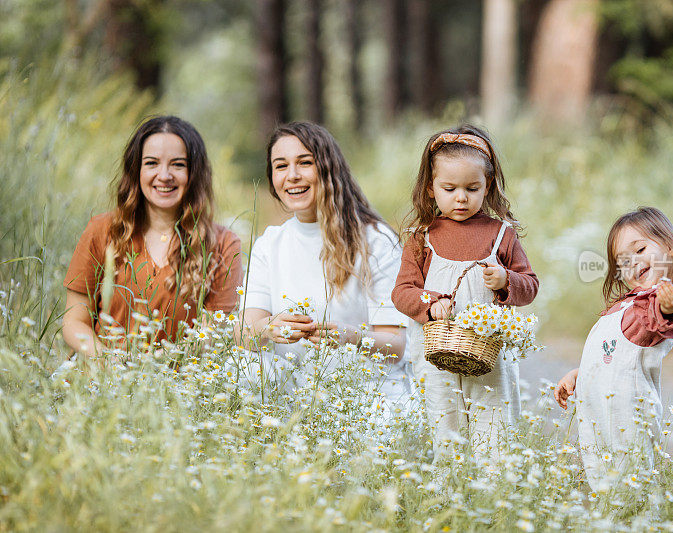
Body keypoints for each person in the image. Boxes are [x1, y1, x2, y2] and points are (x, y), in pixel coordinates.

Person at [391, 125, 539, 459]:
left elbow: (529, 285)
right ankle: (449, 494)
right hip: (436, 354)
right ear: (431, 188)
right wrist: (431, 304)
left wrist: (505, 282)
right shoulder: (421, 237)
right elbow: (402, 291)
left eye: (472, 188)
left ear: (487, 187)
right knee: (445, 427)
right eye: (450, 188)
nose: (461, 197)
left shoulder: (501, 235)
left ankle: (493, 497)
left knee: (495, 425)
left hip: (489, 355)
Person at [239, 121, 410, 404]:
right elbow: (244, 333)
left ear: (329, 169)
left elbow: (397, 345)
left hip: (365, 392)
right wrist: (269, 326)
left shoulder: (376, 241)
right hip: (294, 390)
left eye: (305, 163)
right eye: (281, 166)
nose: (292, 176)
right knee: (245, 370)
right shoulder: (269, 244)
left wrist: (350, 337)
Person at [63, 116, 243, 360]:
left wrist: (156, 377)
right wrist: (109, 365)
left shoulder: (222, 244)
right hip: (102, 383)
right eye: (152, 163)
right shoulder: (103, 230)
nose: (164, 175)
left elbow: (210, 338)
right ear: (136, 170)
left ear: (194, 173)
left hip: (177, 388)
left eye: (178, 165)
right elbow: (74, 322)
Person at [554, 206, 673, 491]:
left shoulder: (659, 300)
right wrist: (580, 374)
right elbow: (613, 357)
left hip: (628, 415)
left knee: (634, 480)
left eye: (641, 249)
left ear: (669, 248)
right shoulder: (624, 306)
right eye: (623, 260)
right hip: (597, 414)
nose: (633, 262)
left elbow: (669, 317)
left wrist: (671, 305)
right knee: (602, 481)